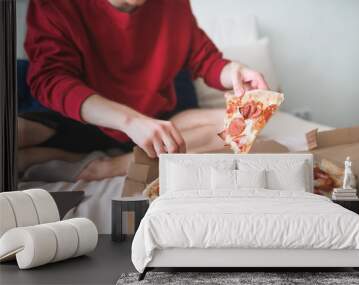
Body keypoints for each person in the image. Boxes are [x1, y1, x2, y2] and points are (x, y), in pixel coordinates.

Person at [19, 0, 268, 181]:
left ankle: (106, 167)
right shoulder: (55, 5)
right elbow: (49, 78)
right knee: (16, 132)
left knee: (246, 121)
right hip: (81, 115)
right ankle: (69, 155)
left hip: (154, 119)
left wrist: (235, 70)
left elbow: (205, 59)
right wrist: (129, 121)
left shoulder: (173, 5)